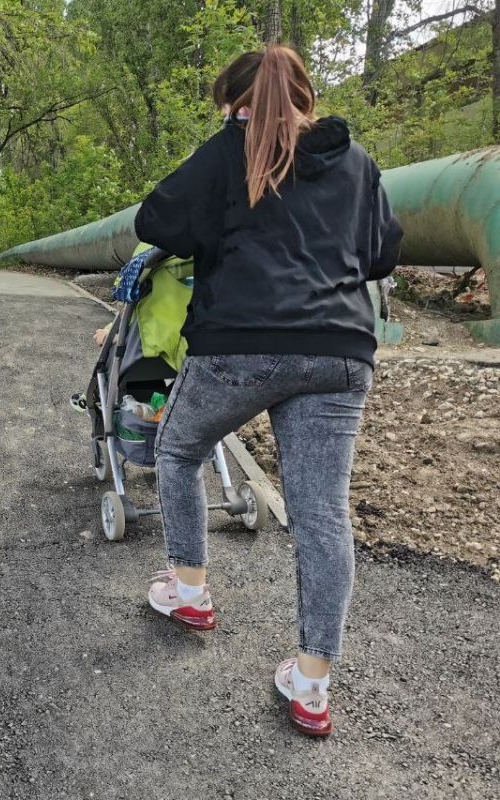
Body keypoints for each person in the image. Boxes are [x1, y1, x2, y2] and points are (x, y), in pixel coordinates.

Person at [133, 44, 402, 737]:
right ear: (307, 98)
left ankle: (188, 592)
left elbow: (157, 222)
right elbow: (381, 253)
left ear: (236, 103)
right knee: (321, 514)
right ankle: (311, 684)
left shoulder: (230, 149)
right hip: (340, 351)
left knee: (178, 449)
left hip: (242, 344)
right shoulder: (357, 161)